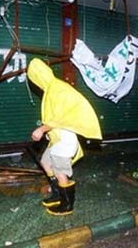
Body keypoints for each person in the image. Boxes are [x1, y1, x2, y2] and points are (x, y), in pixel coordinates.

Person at [27, 58, 102, 216]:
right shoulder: (50, 89)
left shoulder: (58, 89)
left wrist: (43, 129)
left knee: (61, 172)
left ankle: (67, 204)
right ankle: (57, 194)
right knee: (46, 163)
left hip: (65, 140)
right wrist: (49, 132)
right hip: (57, 139)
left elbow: (62, 116)